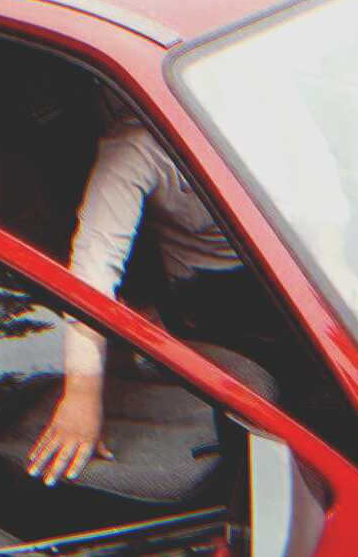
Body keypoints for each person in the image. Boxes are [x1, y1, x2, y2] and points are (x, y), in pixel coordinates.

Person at [27, 93, 288, 486]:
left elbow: (322, 192)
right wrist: (82, 395)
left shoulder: (264, 101)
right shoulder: (135, 148)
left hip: (290, 261)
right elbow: (92, 272)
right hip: (210, 292)